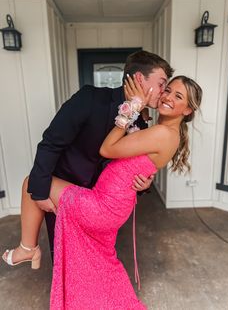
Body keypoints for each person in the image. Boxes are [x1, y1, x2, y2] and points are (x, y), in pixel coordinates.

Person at [2, 75, 202, 309]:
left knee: (31, 184)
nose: (167, 96)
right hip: (113, 205)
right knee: (101, 263)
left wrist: (132, 108)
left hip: (103, 206)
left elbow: (107, 149)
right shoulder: (162, 131)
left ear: (188, 109)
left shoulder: (162, 133)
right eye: (167, 90)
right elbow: (138, 161)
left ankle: (27, 249)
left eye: (177, 96)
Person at [26, 50, 174, 257]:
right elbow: (51, 143)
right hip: (65, 192)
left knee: (94, 258)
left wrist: (143, 185)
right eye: (161, 83)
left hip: (101, 207)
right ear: (140, 78)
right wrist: (40, 194)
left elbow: (129, 168)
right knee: (64, 254)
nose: (164, 91)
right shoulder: (90, 98)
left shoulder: (141, 123)